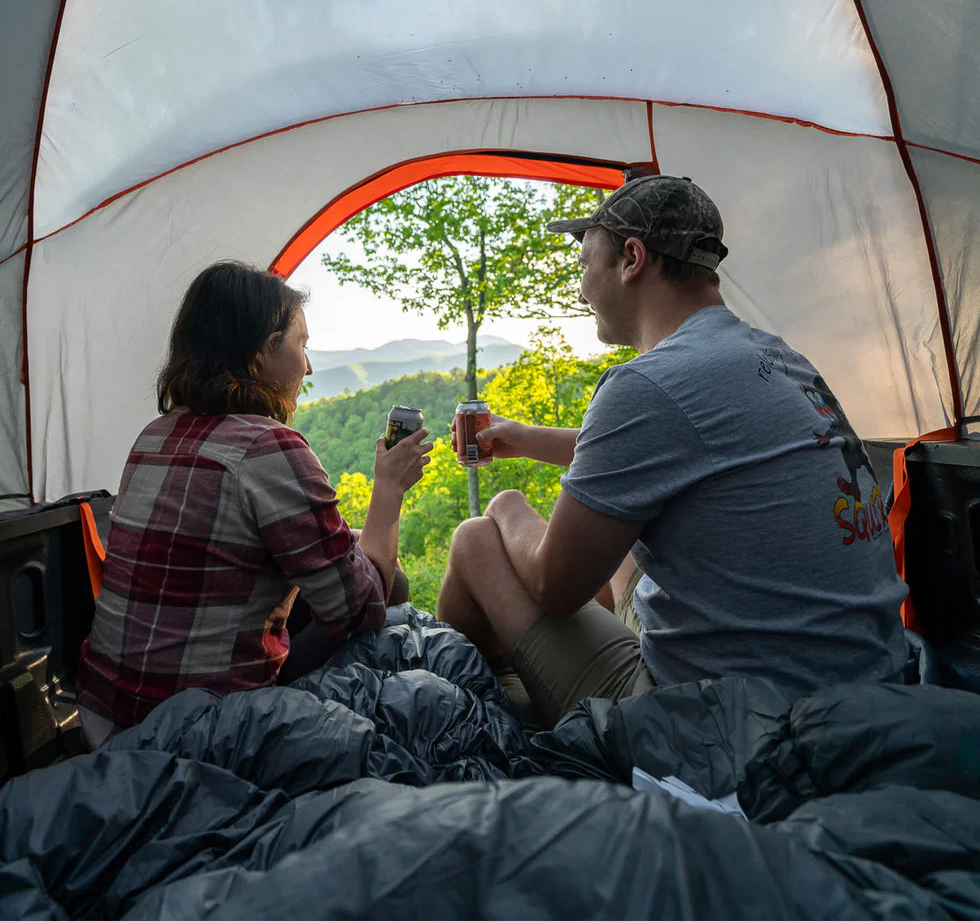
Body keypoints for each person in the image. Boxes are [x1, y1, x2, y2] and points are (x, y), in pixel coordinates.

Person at [436, 175, 908, 728]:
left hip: (739, 726)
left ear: (632, 258)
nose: (582, 287)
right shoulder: (777, 357)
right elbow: (675, 457)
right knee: (632, 535)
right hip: (865, 686)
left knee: (479, 536)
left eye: (586, 264)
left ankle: (471, 715)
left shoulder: (647, 384)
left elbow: (554, 589)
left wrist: (505, 509)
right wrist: (523, 437)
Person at [76, 260, 432, 746]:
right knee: (390, 589)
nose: (308, 366)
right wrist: (388, 493)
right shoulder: (269, 447)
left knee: (341, 574)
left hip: (105, 713)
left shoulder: (153, 437)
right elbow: (359, 608)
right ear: (261, 354)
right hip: (198, 730)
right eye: (301, 344)